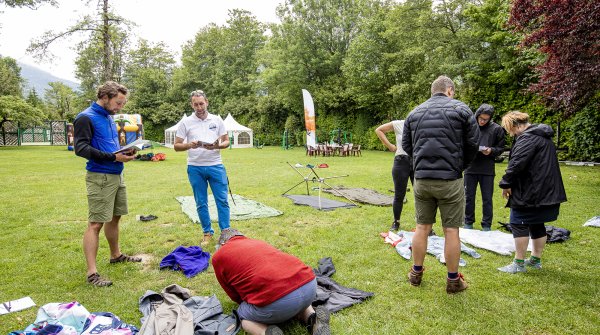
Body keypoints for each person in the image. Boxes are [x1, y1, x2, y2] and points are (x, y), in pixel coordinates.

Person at [402, 75, 479, 294]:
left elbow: (407, 145)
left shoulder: (414, 113)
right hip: (450, 180)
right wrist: (459, 165)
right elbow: (473, 144)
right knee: (451, 230)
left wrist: (420, 164)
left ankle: (416, 273)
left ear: (433, 90)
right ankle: (453, 280)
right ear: (450, 91)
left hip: (423, 179)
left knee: (422, 227)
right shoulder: (462, 110)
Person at [73, 81, 141, 287]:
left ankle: (116, 255)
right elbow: (81, 148)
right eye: (118, 103)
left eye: (122, 104)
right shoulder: (85, 117)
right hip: (100, 176)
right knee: (95, 223)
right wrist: (113, 157)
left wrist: (126, 151)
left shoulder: (109, 118)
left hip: (116, 174)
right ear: (105, 97)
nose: (120, 107)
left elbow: (110, 145)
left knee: (115, 217)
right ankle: (92, 273)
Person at [212, 229, 331, 335]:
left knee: (241, 316)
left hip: (279, 302)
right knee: (294, 289)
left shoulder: (219, 256)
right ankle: (313, 318)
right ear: (241, 236)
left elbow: (233, 295)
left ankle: (265, 332)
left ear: (222, 243)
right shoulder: (257, 242)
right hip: (309, 285)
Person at [497, 111, 567, 273]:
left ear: (515, 125)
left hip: (532, 190)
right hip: (546, 190)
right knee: (537, 223)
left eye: (510, 130)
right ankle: (535, 260)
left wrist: (505, 183)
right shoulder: (542, 135)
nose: (511, 134)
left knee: (518, 222)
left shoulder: (527, 138)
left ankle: (519, 264)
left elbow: (516, 164)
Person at [174, 90, 231, 246]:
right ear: (191, 104)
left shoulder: (217, 119)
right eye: (195, 104)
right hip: (195, 167)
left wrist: (218, 145)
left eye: (201, 103)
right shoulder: (186, 122)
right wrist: (188, 145)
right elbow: (176, 146)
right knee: (201, 202)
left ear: (207, 102)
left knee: (222, 200)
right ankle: (207, 232)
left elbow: (226, 141)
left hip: (216, 165)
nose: (199, 107)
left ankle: (226, 233)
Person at [463, 104, 506, 231]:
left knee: (487, 199)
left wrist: (491, 150)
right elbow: (461, 144)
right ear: (477, 116)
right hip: (470, 167)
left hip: (487, 169)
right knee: (468, 197)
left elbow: (500, 148)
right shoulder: (470, 127)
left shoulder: (497, 129)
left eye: (485, 119)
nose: (482, 121)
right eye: (481, 118)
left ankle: (486, 225)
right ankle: (468, 222)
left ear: (490, 118)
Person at [375, 120, 414, 231]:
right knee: (399, 194)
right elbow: (379, 130)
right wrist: (390, 146)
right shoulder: (400, 124)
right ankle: (396, 222)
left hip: (417, 162)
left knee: (421, 195)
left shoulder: (422, 124)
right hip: (401, 161)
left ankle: (425, 226)